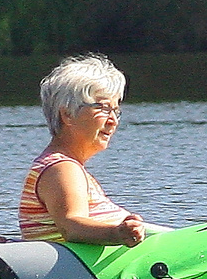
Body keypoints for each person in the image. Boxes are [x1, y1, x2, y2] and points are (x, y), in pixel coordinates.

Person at [18, 54, 165, 245]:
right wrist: (117, 234)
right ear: (67, 114)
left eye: (116, 111)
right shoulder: (61, 168)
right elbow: (71, 226)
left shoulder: (66, 167)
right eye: (103, 108)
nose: (113, 121)